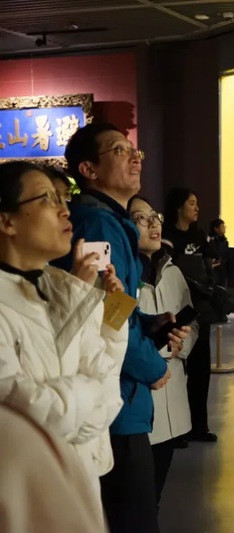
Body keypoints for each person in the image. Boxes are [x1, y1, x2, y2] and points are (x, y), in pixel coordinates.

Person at [56, 122, 189, 533]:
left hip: (120, 395)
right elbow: (96, 314)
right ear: (88, 169)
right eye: (118, 150)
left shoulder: (111, 223)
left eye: (134, 150)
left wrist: (147, 322)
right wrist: (152, 365)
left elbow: (111, 304)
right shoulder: (97, 226)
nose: (134, 157)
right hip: (112, 399)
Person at [0, 160, 126, 501]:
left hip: (79, 485)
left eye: (62, 199)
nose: (65, 210)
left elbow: (109, 386)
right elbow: (25, 420)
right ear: (7, 221)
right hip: (23, 499)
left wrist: (115, 311)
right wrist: (91, 391)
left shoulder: (64, 288)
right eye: (47, 199)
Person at [129, 195, 198, 507]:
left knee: (153, 495)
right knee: (135, 500)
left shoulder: (173, 271)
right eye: (141, 219)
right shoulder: (120, 275)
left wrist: (182, 344)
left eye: (154, 216)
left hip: (172, 400)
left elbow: (191, 320)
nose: (153, 224)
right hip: (138, 399)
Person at [163, 187, 218, 443]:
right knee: (174, 369)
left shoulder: (199, 235)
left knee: (200, 371)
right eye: (192, 203)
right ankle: (176, 429)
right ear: (179, 207)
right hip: (175, 312)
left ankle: (199, 426)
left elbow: (209, 264)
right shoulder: (167, 237)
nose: (197, 208)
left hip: (200, 312)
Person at [0, 403, 108, 532]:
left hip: (80, 459)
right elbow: (61, 416)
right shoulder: (20, 443)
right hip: (57, 457)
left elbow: (106, 408)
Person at [209, 218, 230, 286]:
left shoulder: (224, 241)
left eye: (224, 226)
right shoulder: (211, 240)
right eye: (222, 226)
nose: (224, 228)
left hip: (224, 267)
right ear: (216, 229)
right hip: (215, 268)